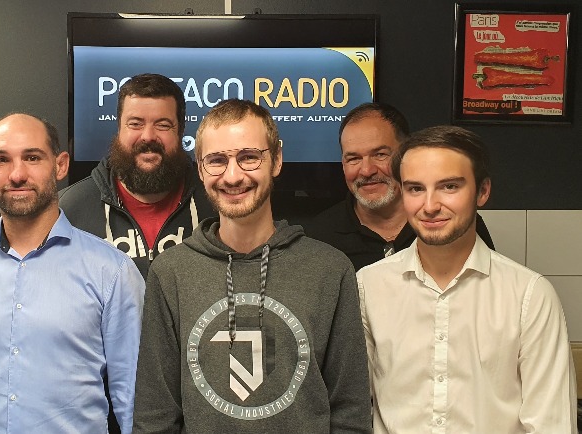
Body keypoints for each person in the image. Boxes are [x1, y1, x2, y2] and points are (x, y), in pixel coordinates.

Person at [133, 99, 371, 433]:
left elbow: (351, 412)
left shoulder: (330, 270)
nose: (233, 176)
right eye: (217, 161)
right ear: (200, 169)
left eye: (248, 157)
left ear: (276, 160)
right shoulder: (171, 272)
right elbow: (155, 415)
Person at [0, 113, 145, 433]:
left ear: (60, 165)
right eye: (1, 160)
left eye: (32, 157)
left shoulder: (112, 272)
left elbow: (134, 401)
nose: (17, 174)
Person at [357, 126, 576, 433]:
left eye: (449, 187)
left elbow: (551, 425)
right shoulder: (368, 286)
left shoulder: (529, 295)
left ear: (482, 192)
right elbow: (351, 406)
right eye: (415, 189)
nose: (430, 206)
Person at [59, 73, 215, 277]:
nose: (148, 136)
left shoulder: (216, 204)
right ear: (119, 128)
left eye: (163, 125)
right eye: (135, 124)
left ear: (181, 130)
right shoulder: (68, 209)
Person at [305, 103, 494, 270]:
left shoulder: (447, 222)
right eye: (354, 158)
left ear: (406, 155)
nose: (366, 171)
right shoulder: (317, 238)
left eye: (380, 154)